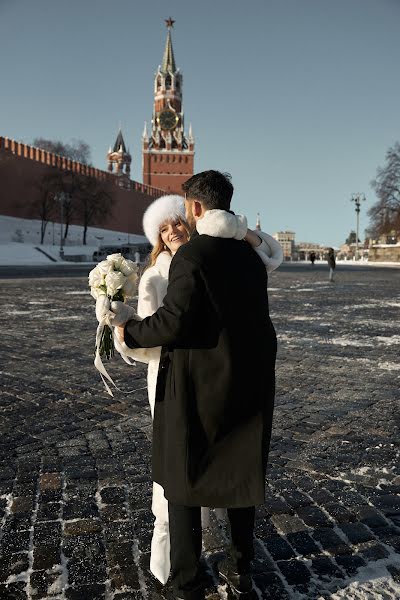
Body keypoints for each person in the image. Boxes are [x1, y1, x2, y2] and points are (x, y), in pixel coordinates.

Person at [111, 172, 279, 599]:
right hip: (247, 381)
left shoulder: (193, 255)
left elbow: (175, 321)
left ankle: (186, 578)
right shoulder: (247, 256)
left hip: (197, 385)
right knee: (241, 474)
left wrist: (129, 331)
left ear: (197, 208)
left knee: (181, 476)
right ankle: (242, 569)